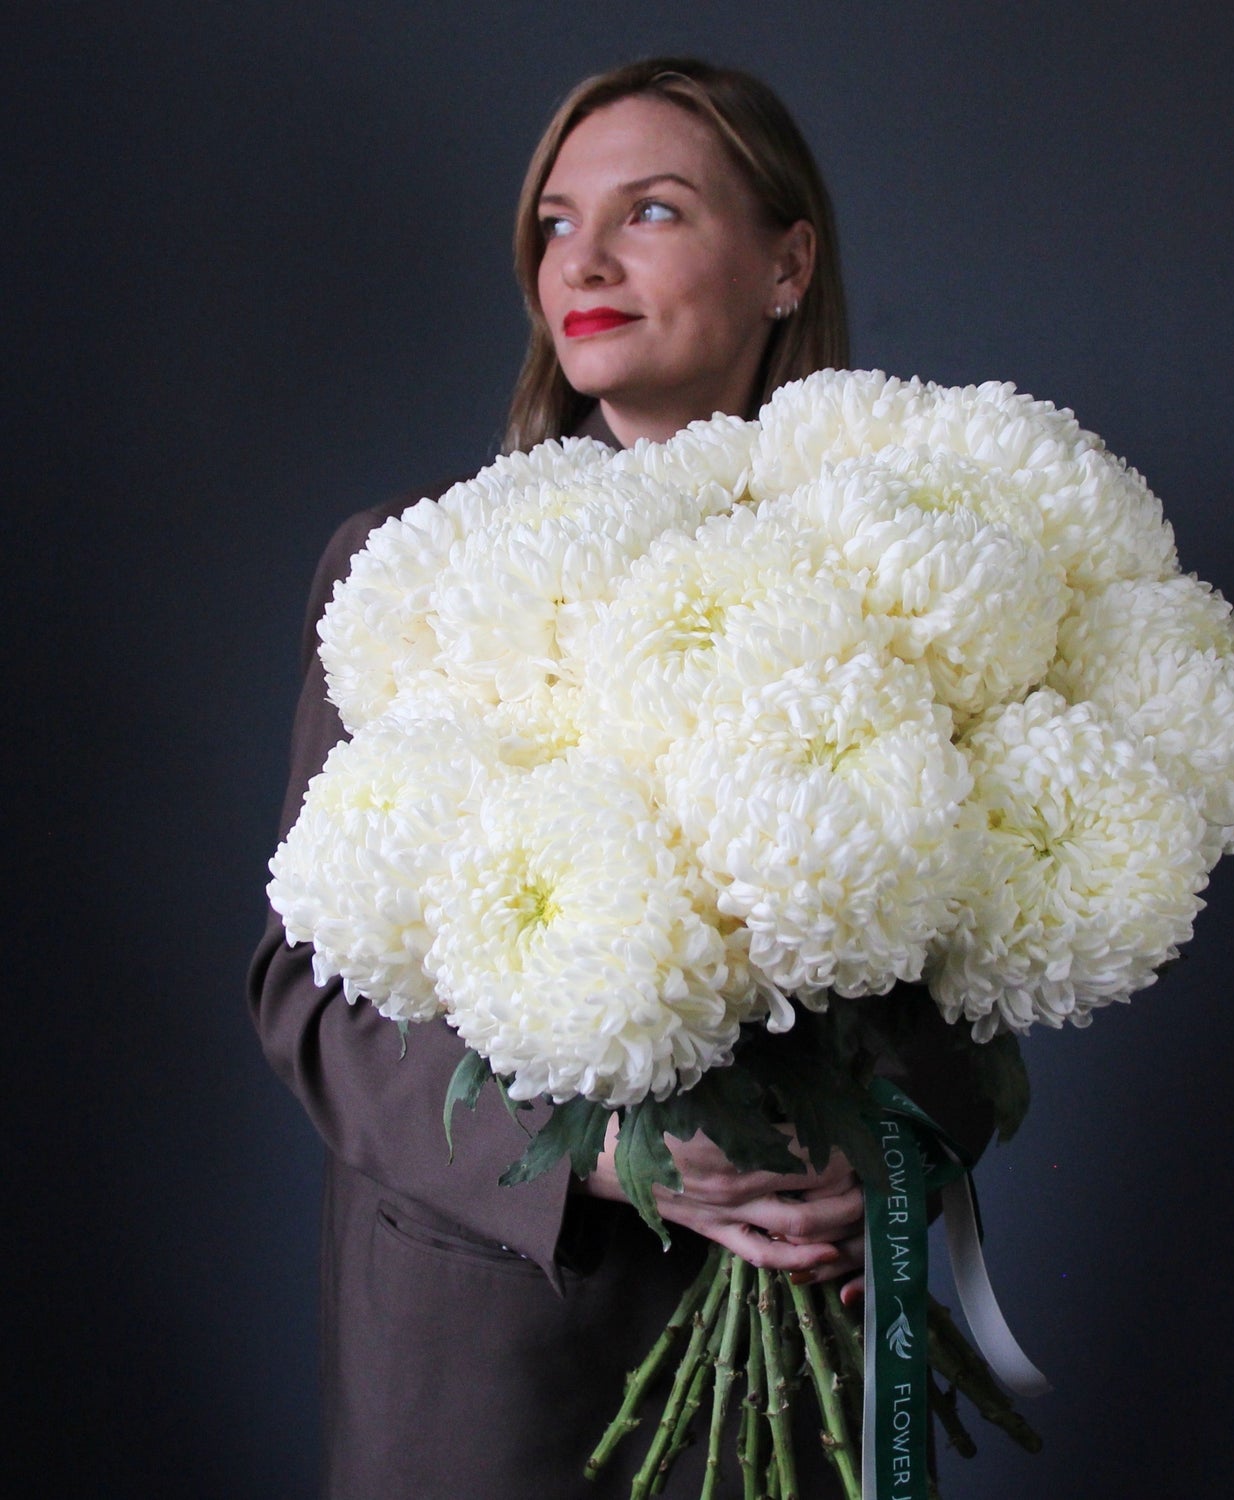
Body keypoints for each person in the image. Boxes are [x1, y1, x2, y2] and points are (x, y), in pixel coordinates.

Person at [249, 57, 990, 1499]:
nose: (578, 260)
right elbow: (307, 996)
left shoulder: (900, 577)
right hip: (490, 1354)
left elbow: (966, 959)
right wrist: (593, 1154)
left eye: (648, 212)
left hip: (793, 1344)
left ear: (787, 261)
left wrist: (882, 1162)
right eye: (553, 220)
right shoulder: (412, 570)